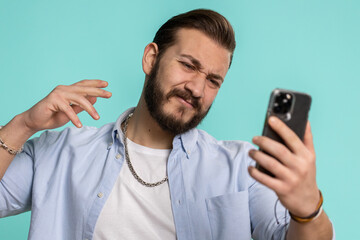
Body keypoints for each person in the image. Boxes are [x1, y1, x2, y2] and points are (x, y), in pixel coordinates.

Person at [0, 9, 334, 240]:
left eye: (213, 80)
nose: (197, 88)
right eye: (188, 65)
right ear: (151, 58)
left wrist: (308, 208)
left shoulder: (244, 169)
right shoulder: (61, 152)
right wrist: (24, 124)